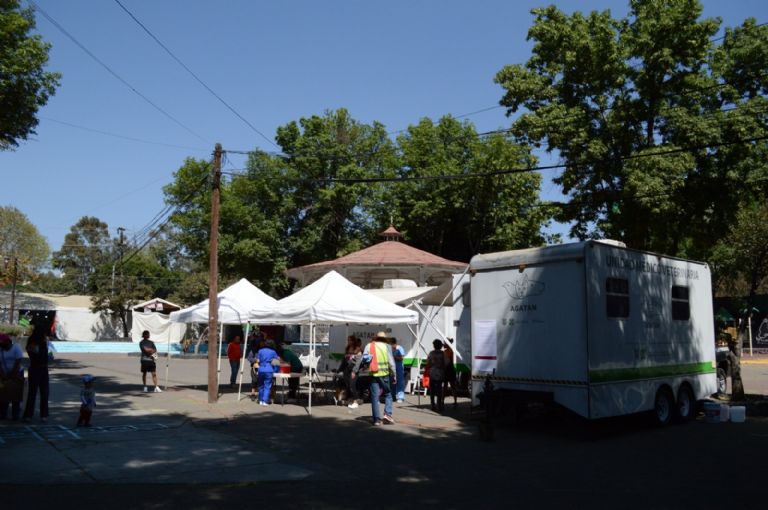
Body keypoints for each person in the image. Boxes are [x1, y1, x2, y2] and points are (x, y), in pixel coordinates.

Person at [357, 331, 396, 426]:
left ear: (376, 338)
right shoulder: (387, 346)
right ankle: (387, 415)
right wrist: (395, 375)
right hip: (384, 374)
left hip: (373, 373)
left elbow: (364, 359)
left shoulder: (369, 345)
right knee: (388, 394)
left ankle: (376, 420)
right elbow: (391, 362)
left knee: (375, 396)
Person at [22, 323, 50, 422]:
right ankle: (38, 415)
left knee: (39, 392)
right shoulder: (35, 342)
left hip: (39, 368)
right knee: (38, 392)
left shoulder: (41, 341)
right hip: (37, 367)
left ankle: (34, 415)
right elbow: (37, 354)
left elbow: (46, 355)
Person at [0, 333, 24, 421]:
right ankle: (3, 414)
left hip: (17, 373)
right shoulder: (1, 349)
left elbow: (18, 362)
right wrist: (3, 375)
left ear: (8, 342)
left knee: (15, 396)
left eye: (3, 343)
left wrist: (12, 376)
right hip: (3, 375)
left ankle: (15, 415)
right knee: (3, 395)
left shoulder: (16, 347)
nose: (2, 345)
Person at [256, 339, 280, 406]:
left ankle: (260, 400)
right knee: (267, 385)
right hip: (269, 369)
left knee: (260, 385)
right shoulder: (273, 352)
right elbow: (277, 360)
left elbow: (257, 360)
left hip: (261, 369)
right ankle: (265, 401)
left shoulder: (260, 351)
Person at [426, 339, 446, 413]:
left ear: (434, 346)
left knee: (432, 389)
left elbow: (428, 363)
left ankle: (432, 404)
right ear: (440, 346)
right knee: (439, 389)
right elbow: (447, 363)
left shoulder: (431, 353)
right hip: (440, 373)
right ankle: (439, 405)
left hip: (432, 372)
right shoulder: (443, 353)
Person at [344, 336, 363, 408]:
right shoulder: (347, 348)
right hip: (347, 369)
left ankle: (356, 400)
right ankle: (351, 399)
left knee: (352, 385)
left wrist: (354, 371)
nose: (349, 342)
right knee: (348, 385)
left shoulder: (358, 350)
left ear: (353, 341)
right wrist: (339, 370)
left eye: (350, 340)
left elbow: (358, 362)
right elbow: (344, 360)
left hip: (354, 370)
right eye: (348, 340)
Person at [389, 337, 406, 403]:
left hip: (399, 368)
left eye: (390, 344)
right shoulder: (389, 349)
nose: (390, 345)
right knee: (392, 382)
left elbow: (401, 358)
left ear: (394, 343)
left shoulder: (400, 348)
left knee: (400, 382)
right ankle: (393, 396)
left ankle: (400, 397)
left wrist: (394, 357)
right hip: (392, 368)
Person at [443, 340, 458, 408]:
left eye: (445, 343)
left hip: (448, 370)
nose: (443, 344)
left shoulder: (447, 351)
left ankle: (442, 401)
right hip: (451, 370)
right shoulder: (451, 351)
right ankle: (455, 401)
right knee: (452, 386)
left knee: (446, 387)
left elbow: (447, 362)